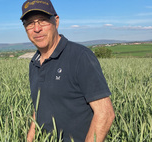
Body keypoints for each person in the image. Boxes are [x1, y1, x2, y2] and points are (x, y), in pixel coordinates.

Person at [20, 0, 115, 141]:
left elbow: (105, 113)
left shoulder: (80, 56)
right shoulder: (34, 63)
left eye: (43, 21)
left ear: (56, 21)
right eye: (30, 23)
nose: (37, 29)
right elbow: (39, 107)